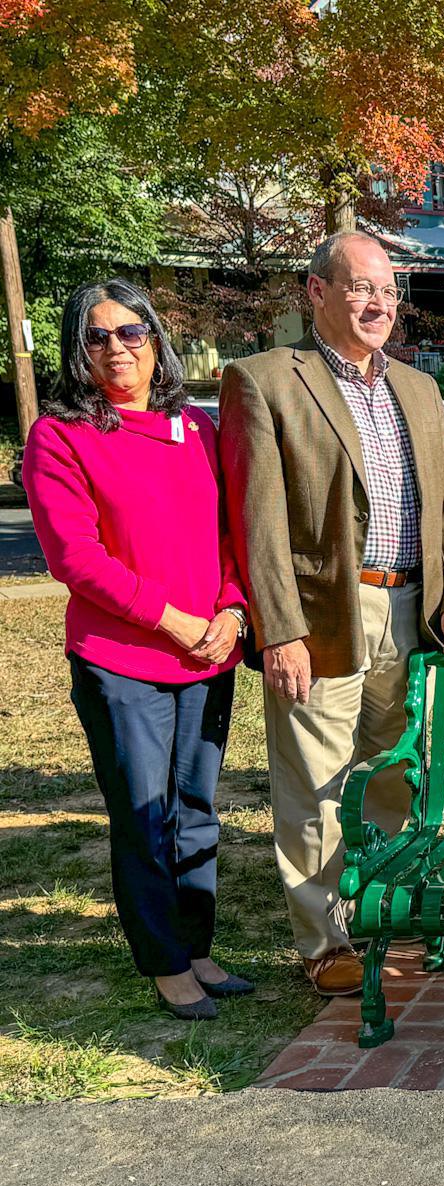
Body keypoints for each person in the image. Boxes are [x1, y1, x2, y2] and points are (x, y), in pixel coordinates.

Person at [220, 231, 444, 997]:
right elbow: (257, 521)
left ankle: (388, 911)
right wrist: (281, 629)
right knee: (316, 783)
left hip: (413, 609)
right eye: (361, 288)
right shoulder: (264, 380)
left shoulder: (420, 389)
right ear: (317, 293)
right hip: (326, 610)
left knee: (396, 773)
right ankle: (324, 937)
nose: (379, 304)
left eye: (389, 292)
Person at [22, 280, 254, 1021]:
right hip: (123, 662)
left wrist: (232, 606)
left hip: (208, 653)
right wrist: (172, 620)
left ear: (157, 339)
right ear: (77, 351)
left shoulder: (197, 427)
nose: (117, 348)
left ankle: (197, 944)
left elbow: (229, 532)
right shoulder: (59, 436)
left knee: (195, 810)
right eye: (98, 337)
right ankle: (163, 962)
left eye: (131, 332)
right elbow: (74, 557)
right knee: (144, 815)